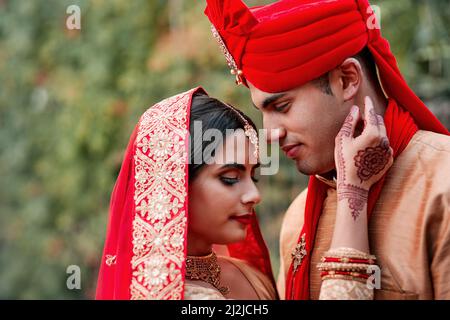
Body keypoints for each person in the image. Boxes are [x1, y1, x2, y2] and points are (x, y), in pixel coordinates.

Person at [205, 0, 450, 299]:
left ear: (347, 79)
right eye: (262, 112)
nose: (270, 134)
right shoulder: (299, 216)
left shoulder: (442, 185)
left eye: (282, 106)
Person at [95, 87, 277, 300]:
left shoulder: (251, 279)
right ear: (174, 182)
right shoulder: (152, 293)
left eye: (252, 176)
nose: (254, 195)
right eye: (230, 178)